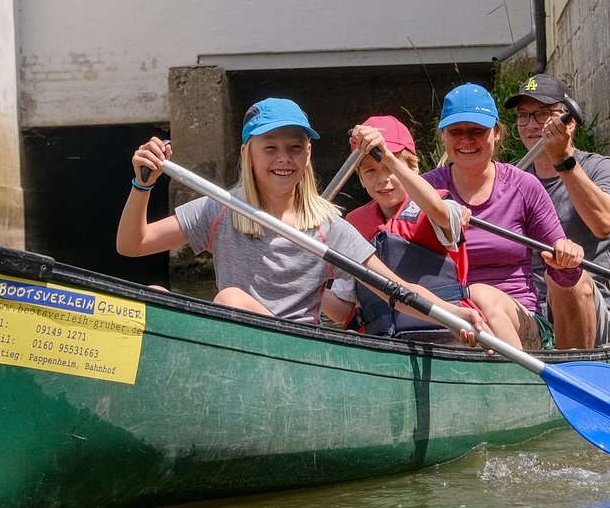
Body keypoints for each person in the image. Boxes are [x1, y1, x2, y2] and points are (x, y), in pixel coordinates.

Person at [116, 97, 488, 344]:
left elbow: (395, 289)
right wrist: (142, 185)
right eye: (271, 148)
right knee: (151, 297)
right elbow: (132, 245)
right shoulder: (220, 208)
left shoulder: (329, 227)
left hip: (298, 352)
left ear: (308, 154)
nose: (284, 159)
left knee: (230, 297)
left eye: (295, 147)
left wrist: (456, 315)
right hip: (234, 338)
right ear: (247, 152)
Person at [420, 83, 584, 350]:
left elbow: (565, 278)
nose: (466, 140)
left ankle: (521, 379)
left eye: (477, 131)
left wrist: (567, 258)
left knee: (482, 294)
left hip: (520, 320)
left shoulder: (525, 187)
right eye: (456, 132)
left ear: (496, 133)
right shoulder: (425, 190)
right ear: (443, 136)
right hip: (451, 319)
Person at [323, 115, 477, 341]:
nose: (382, 179)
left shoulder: (441, 207)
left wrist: (387, 155)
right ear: (361, 179)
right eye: (370, 171)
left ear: (413, 167)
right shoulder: (353, 226)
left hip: (444, 334)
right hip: (383, 343)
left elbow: (439, 211)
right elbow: (341, 309)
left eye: (389, 167)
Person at [506, 74, 610, 349]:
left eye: (543, 114)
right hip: (529, 311)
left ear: (568, 121)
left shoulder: (600, 168)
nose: (531, 125)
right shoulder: (510, 177)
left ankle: (575, 372)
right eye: (523, 116)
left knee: (566, 278)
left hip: (588, 310)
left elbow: (604, 223)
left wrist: (563, 161)